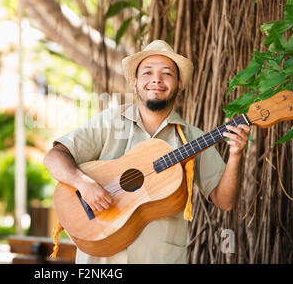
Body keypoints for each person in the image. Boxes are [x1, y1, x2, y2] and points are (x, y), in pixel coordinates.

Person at [43, 40, 250, 263]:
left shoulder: (193, 139)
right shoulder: (110, 122)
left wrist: (236, 154)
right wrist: (84, 184)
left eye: (167, 73)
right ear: (135, 83)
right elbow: (54, 157)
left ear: (179, 84)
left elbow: (225, 201)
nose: (156, 79)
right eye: (147, 72)